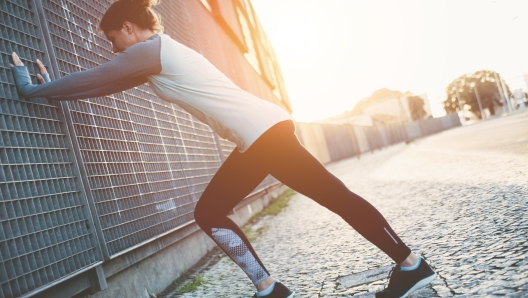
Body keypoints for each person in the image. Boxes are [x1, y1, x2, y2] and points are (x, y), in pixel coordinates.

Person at [10, 0, 436, 297]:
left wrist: (31, 88)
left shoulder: (151, 50)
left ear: (127, 29)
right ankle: (278, 287)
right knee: (316, 199)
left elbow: (99, 76)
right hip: (263, 133)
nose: (113, 48)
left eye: (112, 39)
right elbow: (102, 83)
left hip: (263, 136)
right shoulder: (159, 55)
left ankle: (399, 265)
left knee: (328, 198)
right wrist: (50, 88)